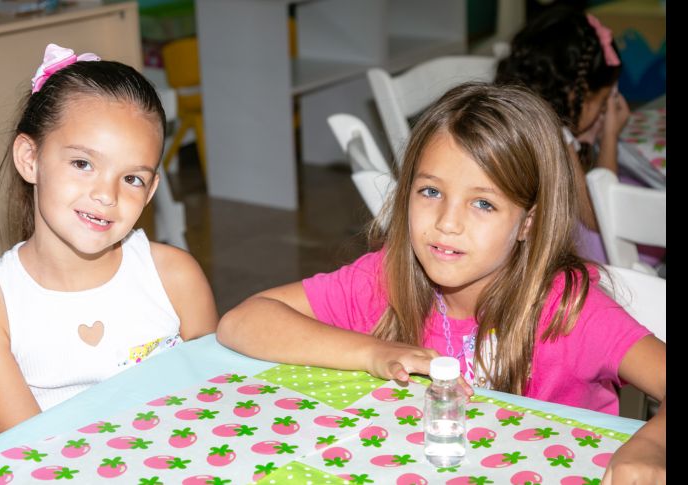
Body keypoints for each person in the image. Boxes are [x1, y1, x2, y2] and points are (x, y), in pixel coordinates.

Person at [217, 83, 665, 483]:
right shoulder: (388, 277)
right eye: (430, 192)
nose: (447, 223)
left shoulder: (569, 311)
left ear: (529, 222)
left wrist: (652, 445)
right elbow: (243, 321)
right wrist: (375, 352)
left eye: (483, 204)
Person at [0, 44, 218, 434]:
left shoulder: (176, 276)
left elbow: (216, 398)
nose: (107, 195)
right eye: (83, 164)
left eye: (132, 178)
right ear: (30, 159)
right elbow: (29, 454)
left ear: (150, 190)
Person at [494, 6, 664, 269]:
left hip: (520, 232)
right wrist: (609, 136)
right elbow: (600, 214)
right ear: (577, 95)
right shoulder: (556, 137)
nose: (604, 109)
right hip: (559, 255)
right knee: (636, 212)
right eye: (601, 101)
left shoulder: (521, 113)